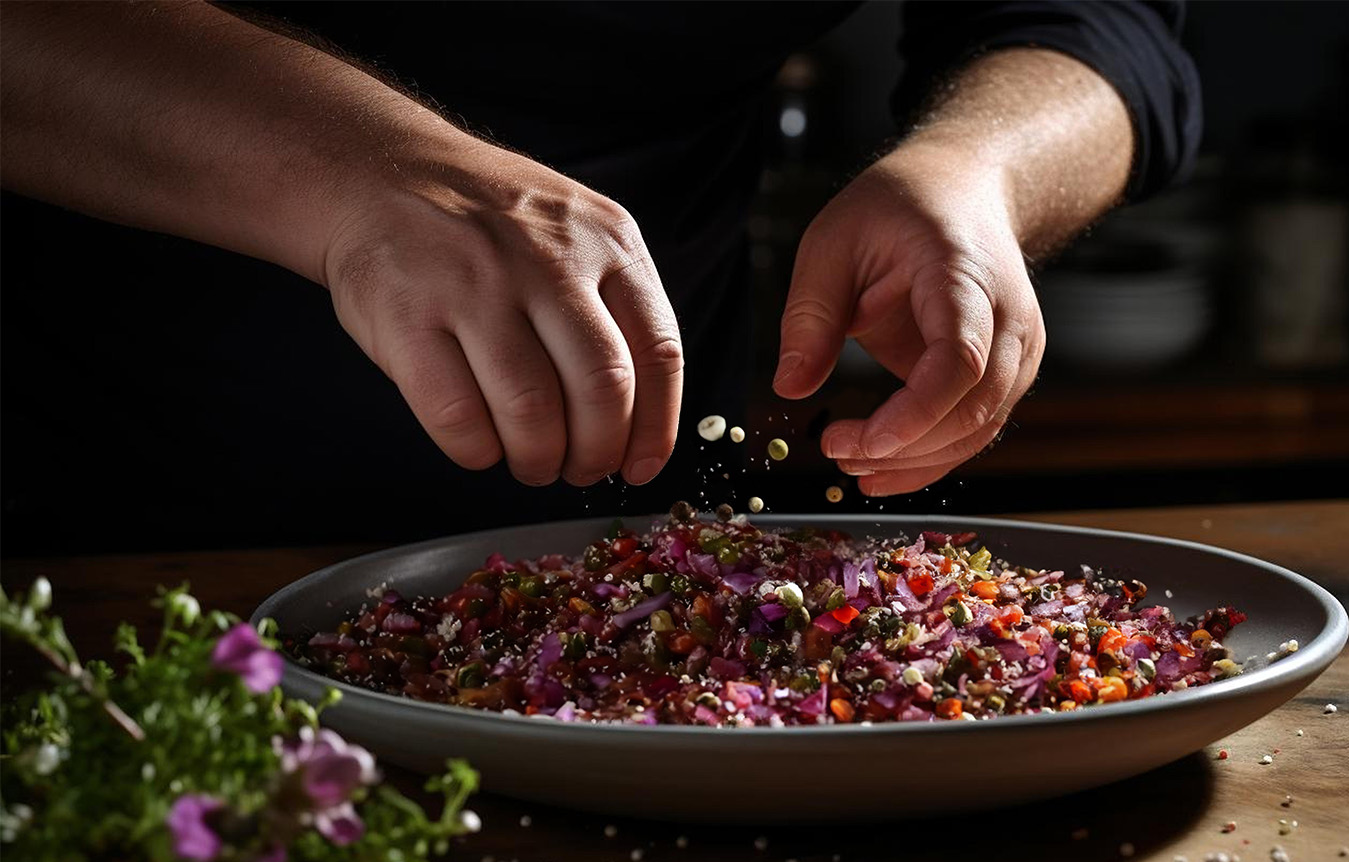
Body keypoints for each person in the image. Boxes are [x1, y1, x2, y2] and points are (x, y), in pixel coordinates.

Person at [0, 2, 1199, 552]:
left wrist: (976, 171)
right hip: (109, 544)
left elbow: (1095, 21)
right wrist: (357, 170)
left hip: (648, 537)